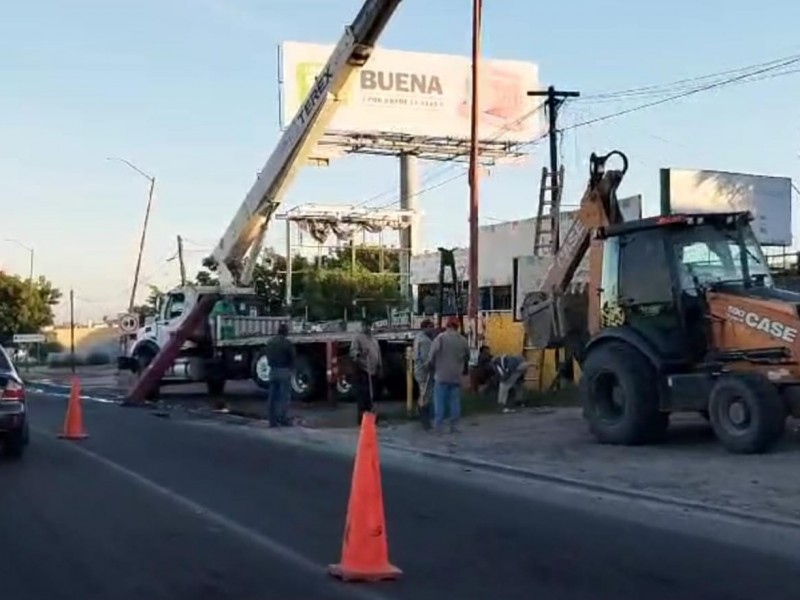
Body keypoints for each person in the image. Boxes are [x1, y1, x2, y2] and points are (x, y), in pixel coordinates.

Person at [427, 316, 469, 434]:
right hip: (456, 376)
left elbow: (432, 354)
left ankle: (438, 426)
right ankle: (454, 426)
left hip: (441, 375)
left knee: (439, 402)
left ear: (447, 325)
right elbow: (467, 357)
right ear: (457, 326)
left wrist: (430, 365)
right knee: (454, 402)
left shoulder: (441, 338)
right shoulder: (463, 340)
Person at [349, 318, 382, 425]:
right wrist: (360, 354)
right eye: (365, 326)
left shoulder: (373, 338)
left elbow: (378, 352)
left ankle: (371, 417)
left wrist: (380, 366)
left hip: (373, 371)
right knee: (363, 396)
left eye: (369, 325)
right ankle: (362, 420)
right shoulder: (358, 338)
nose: (367, 328)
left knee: (373, 396)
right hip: (363, 371)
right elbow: (353, 352)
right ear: (362, 326)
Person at [263, 322, 296, 427]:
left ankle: (271, 421)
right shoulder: (287, 343)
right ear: (285, 332)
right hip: (283, 370)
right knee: (284, 397)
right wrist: (291, 368)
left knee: (272, 397)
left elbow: (267, 355)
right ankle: (282, 418)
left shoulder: (270, 342)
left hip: (272, 370)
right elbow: (292, 357)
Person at [413, 318, 437, 429]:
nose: (432, 329)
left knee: (423, 393)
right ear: (425, 327)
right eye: (431, 326)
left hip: (420, 370)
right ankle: (424, 418)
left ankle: (422, 414)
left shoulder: (419, 338)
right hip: (424, 372)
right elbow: (426, 358)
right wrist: (430, 365)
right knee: (426, 394)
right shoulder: (425, 341)